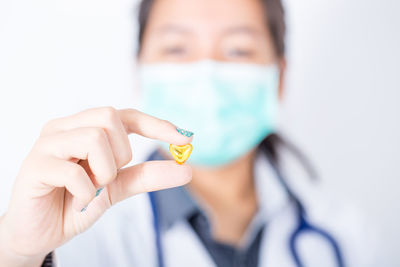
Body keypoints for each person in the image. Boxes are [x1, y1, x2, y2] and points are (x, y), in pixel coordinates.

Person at [0, 0, 359, 266]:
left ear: (278, 77)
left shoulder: (348, 236)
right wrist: (16, 252)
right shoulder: (83, 233)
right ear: (140, 69)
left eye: (238, 50)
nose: (207, 74)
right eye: (176, 48)